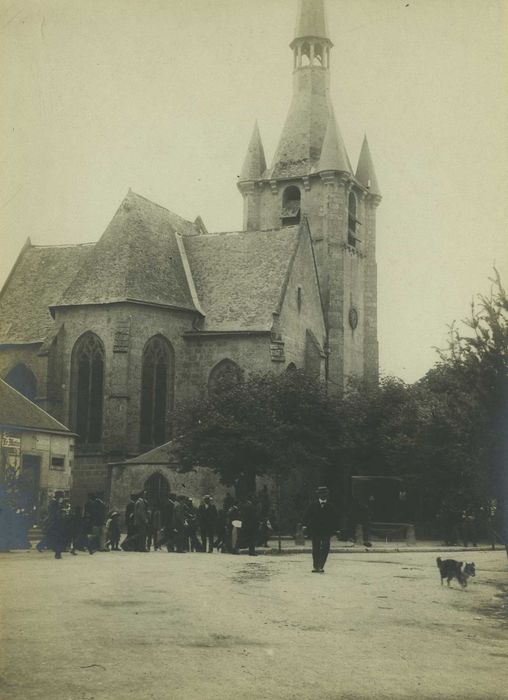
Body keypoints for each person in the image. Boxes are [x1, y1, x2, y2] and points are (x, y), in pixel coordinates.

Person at [302, 486, 339, 573]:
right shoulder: (313, 505)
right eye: (321, 493)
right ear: (318, 494)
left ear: (327, 495)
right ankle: (315, 566)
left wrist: (336, 529)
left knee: (325, 547)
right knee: (316, 548)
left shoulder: (331, 506)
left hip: (327, 531)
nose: (323, 495)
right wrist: (305, 525)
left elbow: (336, 518)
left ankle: (321, 565)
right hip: (315, 530)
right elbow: (305, 516)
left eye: (325, 493)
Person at [45, 491, 67, 559]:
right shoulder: (55, 503)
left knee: (57, 538)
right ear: (59, 497)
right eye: (62, 497)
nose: (62, 499)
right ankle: (58, 553)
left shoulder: (56, 503)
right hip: (56, 523)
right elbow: (55, 514)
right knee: (58, 538)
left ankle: (58, 552)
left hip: (56, 523)